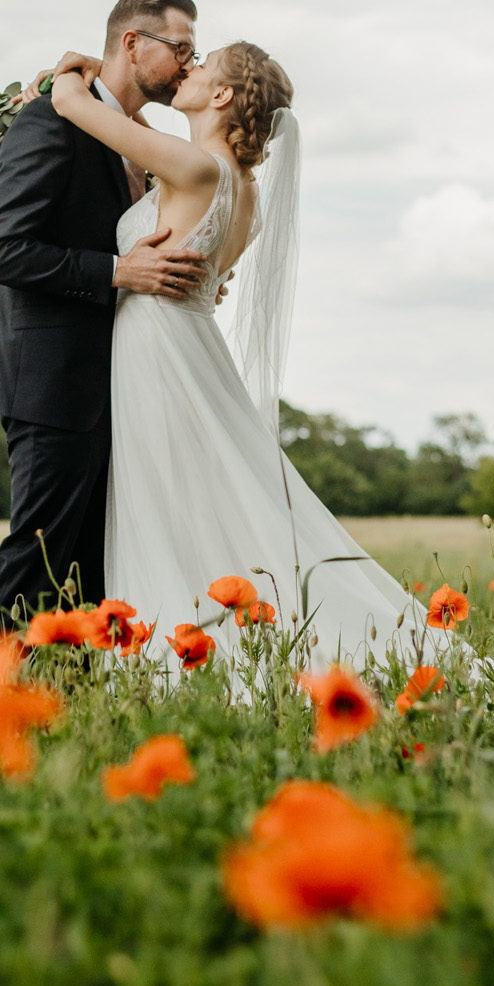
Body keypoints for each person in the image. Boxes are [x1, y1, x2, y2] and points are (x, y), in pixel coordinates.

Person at [36, 40, 435, 672]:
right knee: (200, 494)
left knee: (163, 499)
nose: (189, 67)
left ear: (221, 94)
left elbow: (71, 105)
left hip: (155, 350)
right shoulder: (241, 189)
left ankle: (168, 650)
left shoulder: (195, 167)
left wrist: (70, 72)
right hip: (187, 342)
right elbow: (203, 267)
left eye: (203, 63)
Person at [0, 0, 208, 628]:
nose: (189, 63)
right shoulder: (50, 119)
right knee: (38, 558)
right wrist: (120, 271)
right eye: (181, 48)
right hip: (51, 377)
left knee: (91, 573)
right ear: (133, 43)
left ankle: (71, 687)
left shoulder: (129, 137)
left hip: (117, 381)